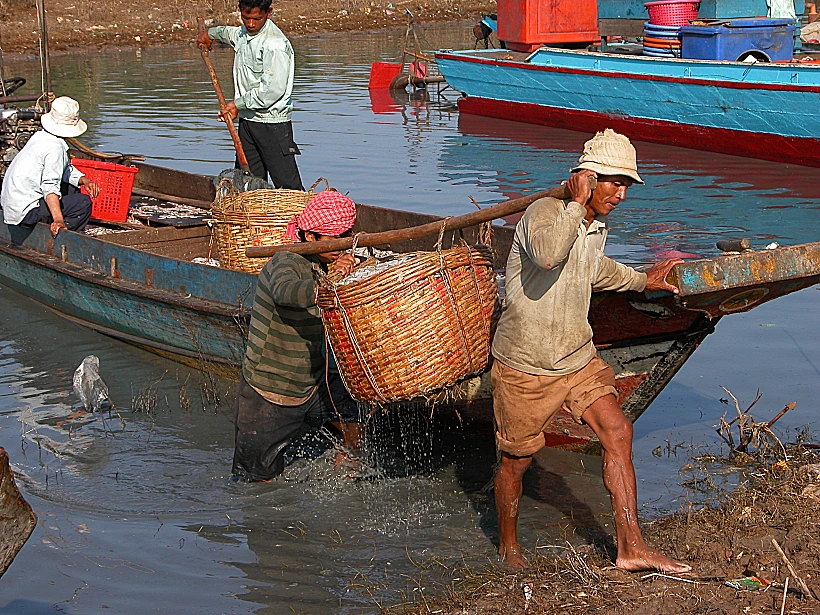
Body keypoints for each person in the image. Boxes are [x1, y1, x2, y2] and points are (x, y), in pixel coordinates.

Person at [491, 129, 691, 573]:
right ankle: (508, 546)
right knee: (516, 462)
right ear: (586, 178)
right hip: (526, 364)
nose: (621, 194)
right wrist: (576, 207)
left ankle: (631, 546)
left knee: (617, 431)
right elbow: (546, 256)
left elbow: (592, 268)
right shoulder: (544, 213)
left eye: (626, 186)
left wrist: (644, 280)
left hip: (577, 357)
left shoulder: (594, 225)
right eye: (614, 183)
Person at [233, 190, 363, 481]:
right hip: (271, 388)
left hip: (315, 380)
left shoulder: (329, 261)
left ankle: (346, 477)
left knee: (354, 420)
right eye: (334, 237)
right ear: (308, 236)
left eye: (347, 235)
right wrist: (330, 283)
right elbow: (286, 291)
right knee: (257, 479)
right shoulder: (286, 263)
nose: (342, 245)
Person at [197, 0, 304, 190]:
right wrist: (208, 35)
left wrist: (237, 104)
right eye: (246, 18)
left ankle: (301, 219)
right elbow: (227, 33)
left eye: (257, 18)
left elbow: (271, 91)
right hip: (247, 121)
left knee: (287, 185)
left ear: (268, 13)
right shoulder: (242, 34)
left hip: (272, 124)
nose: (251, 24)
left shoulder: (275, 44)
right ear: (240, 13)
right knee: (247, 183)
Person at [1, 96, 100, 237]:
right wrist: (58, 219)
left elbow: (64, 169)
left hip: (13, 205)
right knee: (83, 203)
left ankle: (55, 221)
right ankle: (63, 234)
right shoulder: (54, 148)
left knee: (72, 187)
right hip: (24, 212)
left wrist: (84, 180)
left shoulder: (40, 136)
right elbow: (50, 186)